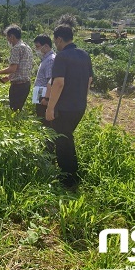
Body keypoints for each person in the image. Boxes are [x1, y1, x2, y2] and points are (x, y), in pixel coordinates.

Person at [46, 25, 93, 189]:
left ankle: (68, 180)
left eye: (55, 40)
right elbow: (89, 80)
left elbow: (58, 83)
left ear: (59, 39)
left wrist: (50, 108)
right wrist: (81, 97)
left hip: (64, 109)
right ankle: (72, 174)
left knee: (62, 143)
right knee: (67, 139)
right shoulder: (84, 55)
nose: (55, 43)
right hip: (79, 106)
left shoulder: (62, 56)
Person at [0, 24, 33, 111]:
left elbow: (13, 68)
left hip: (18, 87)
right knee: (18, 110)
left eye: (7, 37)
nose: (7, 40)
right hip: (26, 85)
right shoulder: (27, 47)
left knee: (14, 111)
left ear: (12, 37)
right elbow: (22, 67)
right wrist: (9, 77)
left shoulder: (16, 48)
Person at [33, 34, 55, 125]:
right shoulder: (45, 58)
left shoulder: (50, 60)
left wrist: (46, 98)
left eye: (38, 47)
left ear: (46, 46)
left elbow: (51, 81)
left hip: (43, 95)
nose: (36, 49)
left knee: (43, 121)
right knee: (39, 118)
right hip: (40, 94)